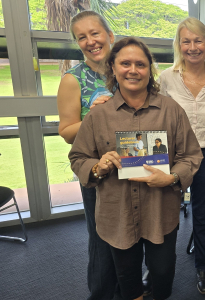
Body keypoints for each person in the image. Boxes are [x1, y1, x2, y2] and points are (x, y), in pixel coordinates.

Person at [69, 37, 203, 300]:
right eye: (125, 63)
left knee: (163, 273)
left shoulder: (171, 111)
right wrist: (98, 166)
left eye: (140, 64)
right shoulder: (98, 116)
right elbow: (78, 157)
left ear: (149, 70)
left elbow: (191, 155)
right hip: (117, 214)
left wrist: (172, 177)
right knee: (127, 276)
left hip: (160, 212)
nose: (133, 70)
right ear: (113, 68)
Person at [157, 17, 205, 294]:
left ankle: (203, 265)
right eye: (187, 41)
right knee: (162, 211)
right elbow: (154, 115)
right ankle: (158, 267)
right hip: (171, 155)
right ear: (179, 44)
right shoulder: (166, 77)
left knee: (200, 212)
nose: (193, 47)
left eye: (198, 40)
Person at [56, 10, 117, 300]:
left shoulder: (127, 69)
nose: (90, 41)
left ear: (109, 36)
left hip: (132, 163)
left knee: (132, 232)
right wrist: (95, 115)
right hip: (97, 171)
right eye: (82, 37)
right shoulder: (73, 79)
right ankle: (103, 294)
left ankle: (129, 288)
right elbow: (67, 131)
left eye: (95, 33)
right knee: (103, 238)